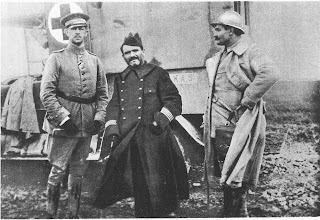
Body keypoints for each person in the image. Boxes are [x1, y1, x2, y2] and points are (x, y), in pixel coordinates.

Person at [93, 33, 189, 217]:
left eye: (135, 51)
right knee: (139, 184)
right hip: (131, 138)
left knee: (159, 184)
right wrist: (112, 128)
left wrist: (160, 119)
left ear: (143, 51)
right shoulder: (121, 78)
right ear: (123, 56)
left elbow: (174, 101)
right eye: (127, 53)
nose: (132, 55)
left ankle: (164, 213)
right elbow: (114, 105)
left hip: (155, 138)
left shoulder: (158, 74)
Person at [203, 10, 279, 217]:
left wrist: (248, 99)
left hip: (239, 124)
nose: (215, 34)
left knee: (238, 172)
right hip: (219, 124)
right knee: (228, 173)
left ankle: (237, 213)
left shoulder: (250, 52)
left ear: (231, 30)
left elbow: (270, 72)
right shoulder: (219, 57)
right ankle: (235, 212)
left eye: (218, 30)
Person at [40, 12, 108, 218]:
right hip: (64, 125)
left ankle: (73, 214)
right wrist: (63, 118)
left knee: (78, 170)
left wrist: (99, 118)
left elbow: (103, 95)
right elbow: (46, 93)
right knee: (58, 170)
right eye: (73, 29)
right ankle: (51, 214)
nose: (78, 32)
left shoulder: (95, 61)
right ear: (66, 32)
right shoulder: (56, 58)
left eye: (81, 28)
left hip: (87, 124)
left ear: (86, 32)